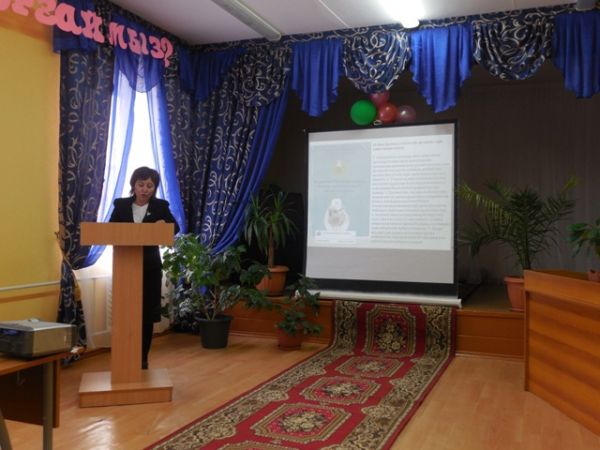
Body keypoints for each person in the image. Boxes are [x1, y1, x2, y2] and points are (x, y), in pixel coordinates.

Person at [109, 166, 180, 370]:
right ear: (133, 185)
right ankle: (125, 356)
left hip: (150, 267)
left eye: (150, 185)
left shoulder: (160, 206)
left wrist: (163, 224)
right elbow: (110, 229)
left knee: (146, 315)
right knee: (125, 313)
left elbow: (175, 228)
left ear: (154, 188)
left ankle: (142, 357)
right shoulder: (121, 205)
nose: (145, 189)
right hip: (125, 265)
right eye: (141, 184)